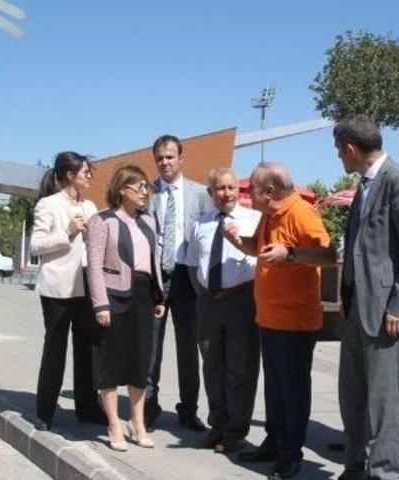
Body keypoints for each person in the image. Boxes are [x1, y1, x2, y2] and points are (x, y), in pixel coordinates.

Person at [333, 115, 399, 480]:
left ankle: (384, 473)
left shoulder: (398, 180)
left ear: (351, 148)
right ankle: (354, 467)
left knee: (382, 403)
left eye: (339, 152)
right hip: (358, 310)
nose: (339, 159)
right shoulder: (365, 185)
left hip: (385, 315)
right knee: (352, 396)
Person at [223, 162, 331, 480]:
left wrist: (292, 254)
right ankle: (274, 442)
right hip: (270, 319)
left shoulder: (301, 213)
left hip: (295, 322)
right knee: (274, 388)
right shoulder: (269, 216)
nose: (247, 195)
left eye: (250, 190)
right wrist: (234, 239)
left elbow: (327, 254)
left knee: (293, 390)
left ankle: (290, 453)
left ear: (268, 191)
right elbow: (257, 250)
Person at [85, 165, 166, 451]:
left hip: (144, 296)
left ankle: (138, 422)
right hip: (114, 296)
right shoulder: (102, 221)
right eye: (139, 187)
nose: (146, 192)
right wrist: (100, 303)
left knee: (139, 361)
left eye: (147, 187)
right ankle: (114, 424)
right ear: (123, 189)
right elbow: (94, 266)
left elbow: (153, 261)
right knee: (111, 362)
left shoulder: (149, 221)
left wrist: (159, 298)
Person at [185, 167, 261, 454]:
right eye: (220, 188)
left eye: (231, 187)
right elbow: (193, 264)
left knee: (240, 369)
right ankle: (216, 425)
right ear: (210, 193)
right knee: (213, 366)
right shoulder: (200, 223)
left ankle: (235, 431)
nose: (227, 193)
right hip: (208, 303)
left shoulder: (254, 219)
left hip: (242, 301)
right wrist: (203, 293)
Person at [29, 151, 104, 431]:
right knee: (55, 349)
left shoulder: (91, 206)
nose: (88, 176)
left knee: (87, 351)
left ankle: (87, 408)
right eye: (85, 172)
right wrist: (68, 232)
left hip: (87, 288)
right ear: (70, 175)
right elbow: (36, 246)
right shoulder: (48, 205)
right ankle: (45, 411)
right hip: (57, 289)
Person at [145, 134, 210, 431]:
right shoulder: (147, 192)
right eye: (159, 158)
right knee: (151, 345)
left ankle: (188, 410)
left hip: (187, 276)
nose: (164, 162)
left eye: (169, 157)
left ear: (180, 158)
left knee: (188, 346)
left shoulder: (200, 193)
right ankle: (148, 406)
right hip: (156, 275)